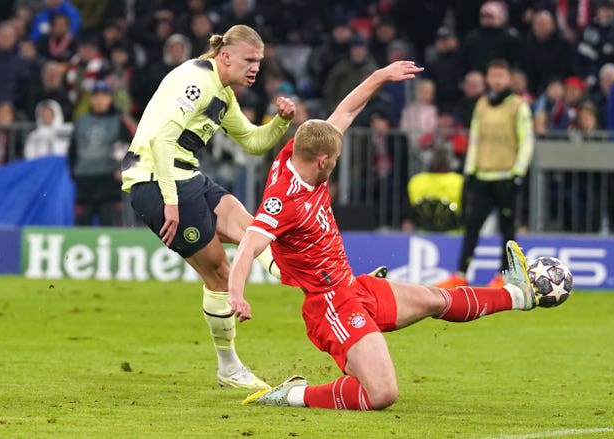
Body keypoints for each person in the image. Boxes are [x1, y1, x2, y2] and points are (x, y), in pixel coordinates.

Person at [227, 60, 543, 411]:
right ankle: (290, 395)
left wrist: (379, 76)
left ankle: (518, 295)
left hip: (353, 287)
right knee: (381, 394)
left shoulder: (301, 149)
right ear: (321, 160)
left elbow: (345, 111)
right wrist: (237, 295)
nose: (336, 163)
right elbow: (248, 245)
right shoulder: (282, 201)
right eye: (335, 159)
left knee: (435, 299)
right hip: (329, 304)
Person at [120, 25, 296, 390]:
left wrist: (280, 122)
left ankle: (318, 284)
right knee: (219, 272)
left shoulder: (224, 92)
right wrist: (170, 202)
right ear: (226, 56)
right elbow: (162, 140)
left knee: (253, 230)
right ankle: (229, 369)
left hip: (185, 175)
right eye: (250, 60)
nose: (255, 69)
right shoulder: (196, 81)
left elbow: (251, 140)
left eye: (259, 62)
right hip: (156, 181)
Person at [437, 59, 534, 289]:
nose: (497, 80)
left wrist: (518, 173)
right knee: (472, 226)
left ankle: (505, 276)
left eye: (501, 76)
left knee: (507, 230)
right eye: (493, 76)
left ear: (509, 79)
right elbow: (475, 140)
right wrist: (469, 171)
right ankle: (461, 273)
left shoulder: (518, 105)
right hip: (482, 176)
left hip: (506, 176)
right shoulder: (482, 104)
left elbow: (526, 141)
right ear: (487, 78)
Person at [70, 80, 131, 226]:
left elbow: (128, 147)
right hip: (84, 181)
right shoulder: (81, 121)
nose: (99, 100)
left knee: (111, 227)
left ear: (110, 99)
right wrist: (74, 172)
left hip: (109, 182)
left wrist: (122, 169)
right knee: (81, 228)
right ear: (91, 99)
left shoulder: (119, 121)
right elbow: (72, 149)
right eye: (96, 96)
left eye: (104, 96)